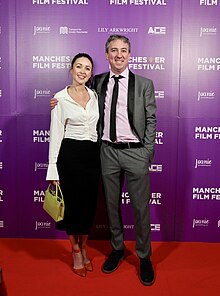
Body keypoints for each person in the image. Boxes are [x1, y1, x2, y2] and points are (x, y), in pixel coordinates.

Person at [51, 35, 157, 286]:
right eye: (113, 50)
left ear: (130, 54)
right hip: (106, 152)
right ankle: (118, 249)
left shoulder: (144, 84)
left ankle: (144, 256)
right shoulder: (97, 82)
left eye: (123, 50)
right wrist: (57, 101)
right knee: (111, 207)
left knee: (141, 208)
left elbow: (151, 120)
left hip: (135, 152)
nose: (119, 55)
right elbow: (73, 96)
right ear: (107, 55)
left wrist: (147, 152)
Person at [46, 53, 100, 278]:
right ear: (71, 69)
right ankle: (75, 250)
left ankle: (85, 246)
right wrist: (53, 168)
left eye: (87, 68)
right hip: (70, 155)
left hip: (92, 156)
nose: (83, 71)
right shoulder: (60, 98)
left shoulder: (95, 95)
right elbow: (56, 134)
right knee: (71, 207)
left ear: (90, 73)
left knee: (88, 207)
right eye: (79, 66)